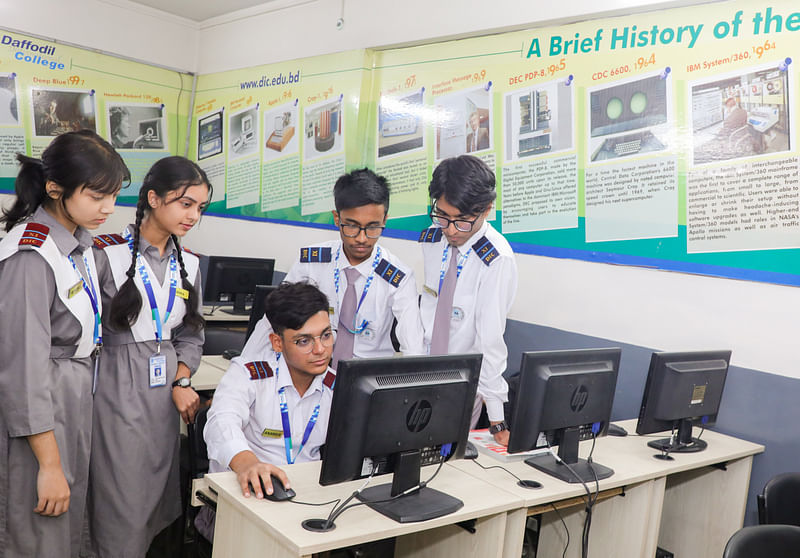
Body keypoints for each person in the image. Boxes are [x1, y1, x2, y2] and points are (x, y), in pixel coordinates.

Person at [0, 130, 129, 557]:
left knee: (68, 530)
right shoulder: (30, 256)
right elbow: (23, 372)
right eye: (96, 196)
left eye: (113, 196)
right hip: (41, 411)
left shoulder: (78, 246)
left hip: (73, 397)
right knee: (37, 535)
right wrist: (50, 464)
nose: (107, 208)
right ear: (55, 188)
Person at [87, 156, 210, 558]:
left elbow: (191, 333)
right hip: (114, 390)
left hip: (163, 396)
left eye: (200, 207)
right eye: (185, 203)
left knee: (154, 495)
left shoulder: (188, 263)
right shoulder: (105, 255)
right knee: (118, 498)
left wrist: (182, 377)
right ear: (153, 199)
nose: (193, 215)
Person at [242, 168, 424, 368]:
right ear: (337, 219)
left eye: (372, 227)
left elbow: (413, 348)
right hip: (313, 371)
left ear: (384, 221)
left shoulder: (398, 276)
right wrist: (245, 370)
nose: (362, 238)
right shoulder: (311, 263)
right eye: (352, 226)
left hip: (369, 376)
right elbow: (273, 320)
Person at [198, 281, 336, 541]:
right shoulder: (250, 374)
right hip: (245, 500)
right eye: (304, 341)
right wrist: (247, 462)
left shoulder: (336, 385)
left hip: (308, 501)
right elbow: (220, 421)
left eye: (326, 335)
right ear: (277, 342)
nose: (320, 349)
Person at [418, 155, 517, 446]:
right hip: (419, 372)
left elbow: (490, 341)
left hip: (461, 386)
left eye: (461, 221)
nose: (449, 229)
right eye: (442, 215)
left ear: (486, 210)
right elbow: (430, 306)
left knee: (444, 459)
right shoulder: (431, 239)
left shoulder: (496, 259)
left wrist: (497, 419)